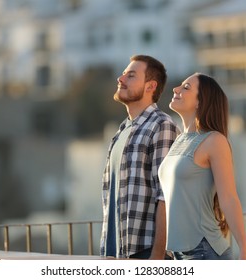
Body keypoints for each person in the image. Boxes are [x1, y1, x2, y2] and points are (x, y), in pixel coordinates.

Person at [159, 72, 246, 260]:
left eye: (186, 88)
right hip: (177, 253)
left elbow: (229, 198)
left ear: (201, 102)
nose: (176, 89)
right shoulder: (179, 140)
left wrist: (244, 251)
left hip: (203, 251)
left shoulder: (214, 140)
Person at [100, 55, 179, 259]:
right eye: (124, 74)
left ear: (150, 86)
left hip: (145, 252)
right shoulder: (122, 130)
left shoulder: (161, 126)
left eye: (131, 75)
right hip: (117, 251)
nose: (121, 79)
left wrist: (157, 258)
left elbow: (166, 197)